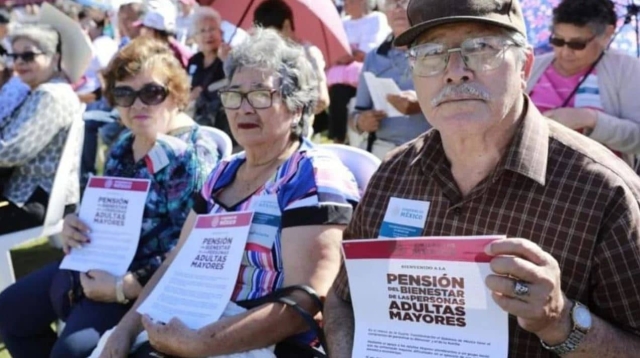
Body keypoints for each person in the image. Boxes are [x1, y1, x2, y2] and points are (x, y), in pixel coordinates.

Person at [324, 0, 640, 357]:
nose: (455, 71)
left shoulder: (603, 191)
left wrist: (559, 321)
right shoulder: (393, 174)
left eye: (481, 48)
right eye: (431, 53)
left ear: (525, 67)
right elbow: (341, 297)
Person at [97, 28, 360, 358]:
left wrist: (200, 344)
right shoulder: (224, 172)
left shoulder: (312, 175)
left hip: (263, 342)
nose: (243, 109)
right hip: (196, 318)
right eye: (234, 95)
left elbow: (307, 300)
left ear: (296, 108)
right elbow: (177, 260)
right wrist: (126, 328)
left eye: (261, 95)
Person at [0, 37, 219, 358]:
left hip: (144, 284)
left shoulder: (192, 156)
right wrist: (74, 224)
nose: (137, 104)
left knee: (72, 351)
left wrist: (124, 287)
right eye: (124, 93)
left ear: (176, 95)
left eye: (152, 92)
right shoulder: (124, 146)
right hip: (96, 263)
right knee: (9, 311)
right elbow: (102, 210)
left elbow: (189, 251)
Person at [527, 0, 640, 167]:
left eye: (577, 44)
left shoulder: (628, 69)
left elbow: (637, 139)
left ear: (607, 35)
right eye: (558, 41)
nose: (565, 52)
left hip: (596, 183)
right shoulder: (533, 66)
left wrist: (590, 119)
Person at [0, 22, 85, 235]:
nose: (19, 62)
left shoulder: (49, 95)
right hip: (35, 196)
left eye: (28, 56)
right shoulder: (47, 90)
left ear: (54, 58)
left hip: (32, 200)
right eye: (14, 56)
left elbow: (9, 151)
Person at [348, 0, 430, 159]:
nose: (398, 8)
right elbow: (356, 113)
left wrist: (421, 104)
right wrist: (361, 121)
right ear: (385, 13)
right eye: (392, 3)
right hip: (383, 150)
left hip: (427, 149)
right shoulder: (374, 56)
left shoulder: (435, 50)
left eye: (404, 1)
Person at [253, 0, 330, 136]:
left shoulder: (308, 53)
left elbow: (322, 99)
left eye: (270, 36)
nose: (266, 42)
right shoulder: (263, 56)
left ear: (287, 26)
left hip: (296, 134)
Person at [326, 0, 390, 143]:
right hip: (342, 79)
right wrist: (348, 54)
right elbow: (334, 53)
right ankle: (338, 139)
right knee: (337, 93)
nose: (346, 4)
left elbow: (367, 53)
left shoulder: (377, 19)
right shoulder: (343, 23)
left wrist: (347, 54)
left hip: (369, 73)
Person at [186, 6, 236, 152]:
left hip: (222, 121)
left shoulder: (230, 56)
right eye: (202, 31)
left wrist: (227, 62)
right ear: (195, 37)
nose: (208, 34)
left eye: (212, 29)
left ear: (221, 32)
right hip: (196, 120)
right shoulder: (194, 61)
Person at [137, 0, 193, 68]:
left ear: (155, 31)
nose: (142, 32)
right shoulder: (147, 50)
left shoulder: (179, 54)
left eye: (146, 28)